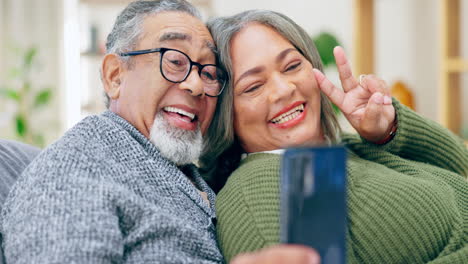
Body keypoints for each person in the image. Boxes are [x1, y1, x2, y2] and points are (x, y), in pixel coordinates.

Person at [0, 2, 320, 263]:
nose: (196, 85)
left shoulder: (183, 170)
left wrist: (371, 136)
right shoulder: (75, 169)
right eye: (175, 61)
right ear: (114, 76)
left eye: (208, 70)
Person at [203, 10, 468, 263]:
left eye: (292, 66)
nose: (283, 89)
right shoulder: (276, 184)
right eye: (254, 86)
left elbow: (461, 166)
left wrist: (388, 130)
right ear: (225, 113)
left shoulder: (341, 149)